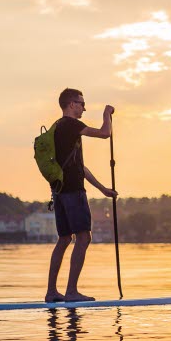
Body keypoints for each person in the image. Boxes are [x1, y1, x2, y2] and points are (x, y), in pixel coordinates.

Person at [45, 88, 117, 303]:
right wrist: (106, 114)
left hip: (59, 191)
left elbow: (78, 167)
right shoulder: (71, 125)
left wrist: (103, 189)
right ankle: (71, 292)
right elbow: (105, 133)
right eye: (81, 103)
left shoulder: (57, 127)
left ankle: (51, 292)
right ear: (70, 104)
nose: (84, 107)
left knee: (65, 239)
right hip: (73, 193)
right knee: (83, 237)